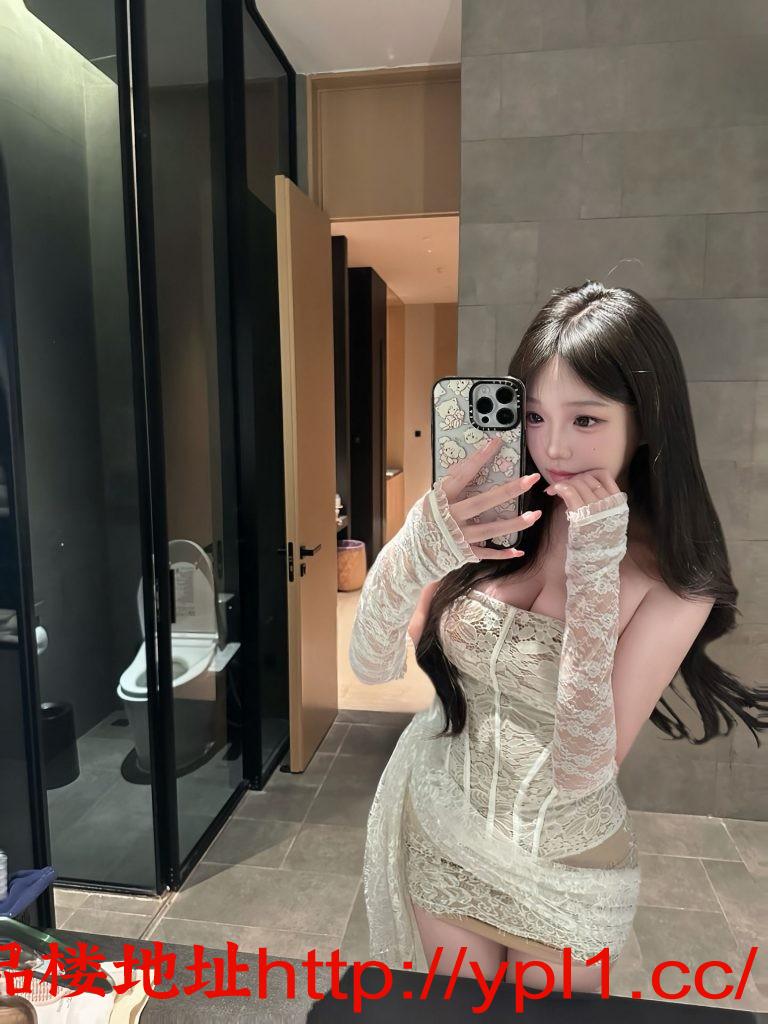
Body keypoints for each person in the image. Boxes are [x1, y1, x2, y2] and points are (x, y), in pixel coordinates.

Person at [348, 281, 768, 993]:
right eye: (535, 415)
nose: (552, 446)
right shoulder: (495, 516)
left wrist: (596, 576)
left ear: (645, 423)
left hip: (566, 875)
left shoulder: (677, 580)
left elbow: (583, 768)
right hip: (444, 832)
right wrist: (414, 548)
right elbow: (372, 663)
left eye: (586, 419)